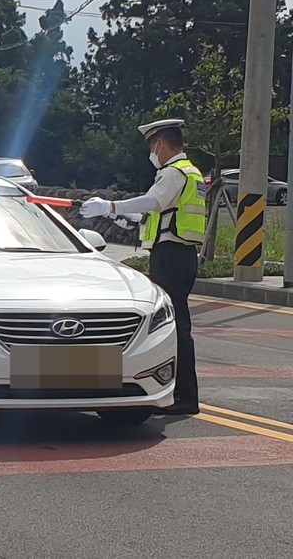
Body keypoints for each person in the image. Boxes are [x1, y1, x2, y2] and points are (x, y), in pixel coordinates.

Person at [79, 118, 203, 416]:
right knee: (177, 324)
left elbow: (153, 202)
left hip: (171, 256)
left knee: (175, 327)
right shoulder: (191, 172)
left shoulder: (173, 172)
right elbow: (162, 214)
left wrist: (111, 207)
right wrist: (129, 219)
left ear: (160, 143)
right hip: (180, 253)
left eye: (152, 146)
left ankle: (184, 397)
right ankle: (182, 393)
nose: (152, 152)